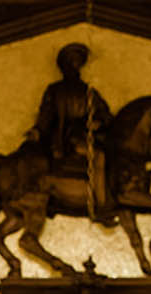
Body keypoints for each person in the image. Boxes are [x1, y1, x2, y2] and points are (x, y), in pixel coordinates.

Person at [30, 43, 111, 215]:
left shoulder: (89, 92)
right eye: (72, 62)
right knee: (99, 156)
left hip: (84, 136)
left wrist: (98, 122)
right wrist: (37, 130)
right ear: (64, 66)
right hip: (66, 139)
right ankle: (101, 205)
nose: (75, 66)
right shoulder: (55, 90)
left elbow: (105, 114)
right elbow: (46, 114)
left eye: (78, 62)